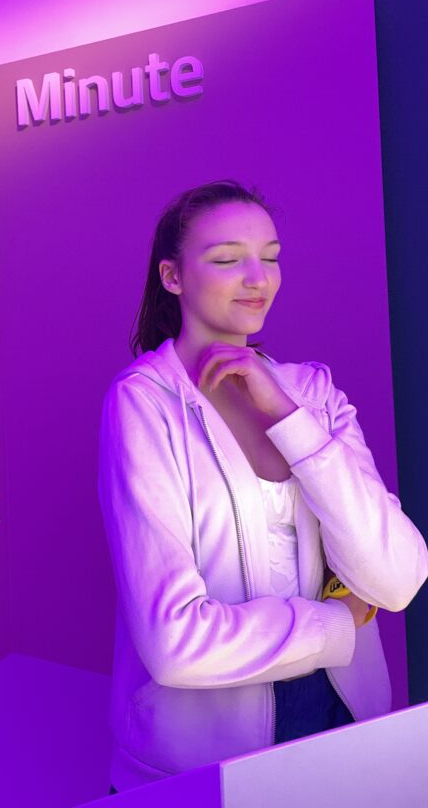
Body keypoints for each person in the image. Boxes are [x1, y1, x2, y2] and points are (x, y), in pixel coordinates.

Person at [99, 179, 428, 794]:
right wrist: (338, 623)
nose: (259, 279)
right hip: (205, 758)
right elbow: (175, 645)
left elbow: (398, 578)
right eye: (228, 259)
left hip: (345, 726)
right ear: (172, 276)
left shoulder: (313, 392)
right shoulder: (143, 403)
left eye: (270, 257)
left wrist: (287, 416)